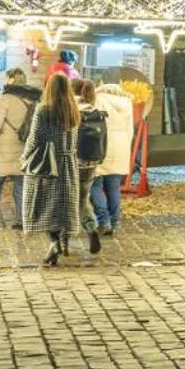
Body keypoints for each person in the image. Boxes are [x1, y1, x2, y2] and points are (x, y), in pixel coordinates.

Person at [21, 72, 83, 267]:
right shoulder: (73, 111)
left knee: (46, 206)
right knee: (63, 206)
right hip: (68, 163)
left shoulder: (43, 110)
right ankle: (63, 240)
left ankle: (54, 243)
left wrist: (25, 157)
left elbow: (35, 138)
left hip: (49, 164)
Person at [0, 68, 40, 230]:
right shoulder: (33, 100)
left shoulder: (5, 99)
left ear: (12, 80)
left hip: (2, 149)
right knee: (20, 188)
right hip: (23, 149)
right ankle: (22, 220)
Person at [91, 82, 135, 236]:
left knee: (94, 184)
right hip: (121, 146)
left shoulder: (99, 98)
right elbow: (130, 129)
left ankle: (104, 220)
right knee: (113, 187)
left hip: (102, 145)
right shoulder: (127, 102)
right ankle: (114, 221)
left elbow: (94, 123)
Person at [70, 79, 105, 256]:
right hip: (91, 164)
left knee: (66, 201)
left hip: (72, 163)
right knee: (83, 200)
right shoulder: (94, 110)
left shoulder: (71, 110)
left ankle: (63, 239)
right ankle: (91, 229)